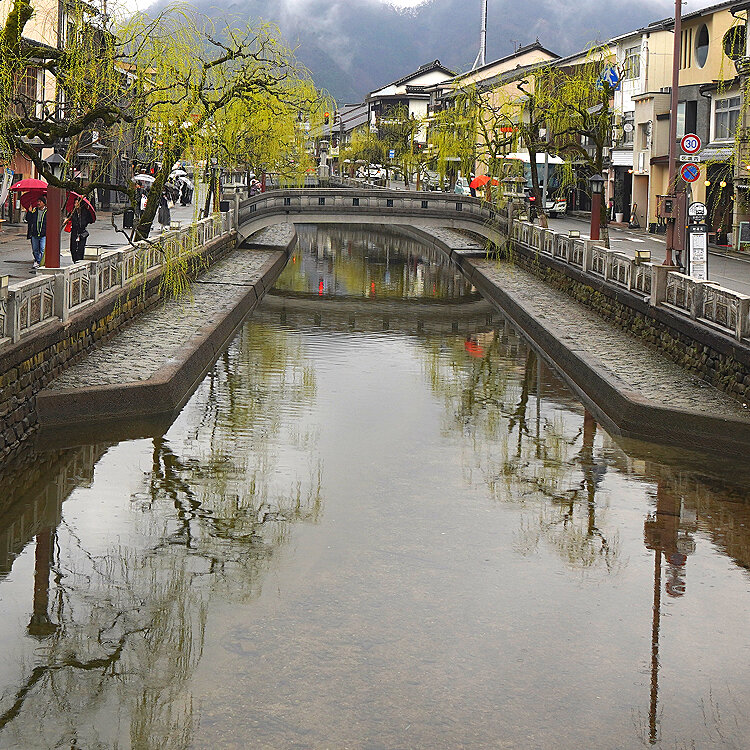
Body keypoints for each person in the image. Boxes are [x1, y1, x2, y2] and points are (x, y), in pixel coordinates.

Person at [25, 196, 47, 270]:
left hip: (43, 234)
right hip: (34, 233)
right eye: (38, 201)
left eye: (40, 201)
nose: (38, 203)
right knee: (35, 250)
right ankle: (38, 261)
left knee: (42, 249)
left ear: (44, 203)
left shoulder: (47, 212)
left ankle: (41, 263)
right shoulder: (34, 211)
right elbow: (28, 219)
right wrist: (29, 212)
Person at [69, 198, 91, 262]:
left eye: (77, 203)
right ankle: (74, 260)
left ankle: (79, 261)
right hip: (74, 232)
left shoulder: (85, 212)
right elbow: (69, 218)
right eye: (75, 203)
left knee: (81, 248)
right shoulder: (73, 212)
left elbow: (89, 220)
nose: (76, 204)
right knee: (73, 248)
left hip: (82, 232)